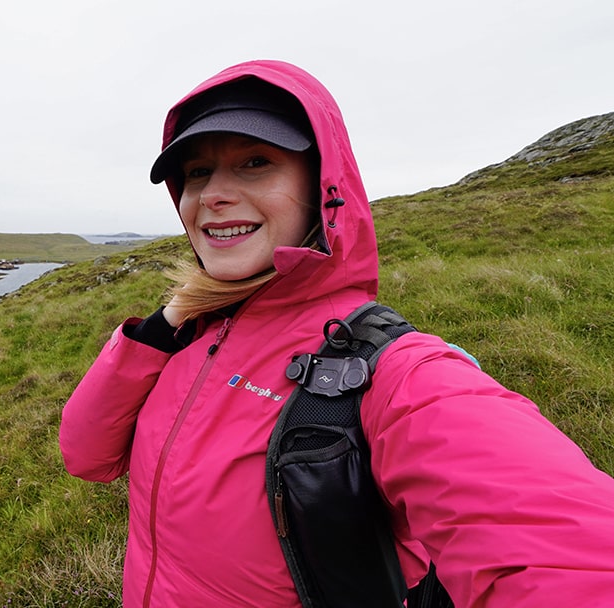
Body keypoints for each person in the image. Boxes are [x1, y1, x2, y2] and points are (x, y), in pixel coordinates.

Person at [58, 59, 614, 607]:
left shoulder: (397, 374)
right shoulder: (190, 332)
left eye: (255, 162)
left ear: (325, 187)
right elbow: (87, 455)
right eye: (198, 173)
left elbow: (563, 557)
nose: (212, 195)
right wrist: (167, 320)